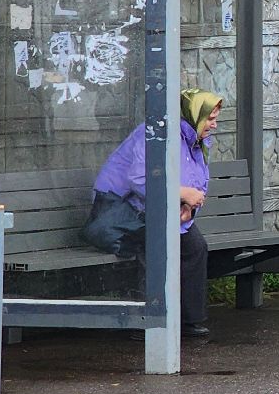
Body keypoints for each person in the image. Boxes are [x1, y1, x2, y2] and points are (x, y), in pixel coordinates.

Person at [85, 89, 222, 339]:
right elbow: (139, 180)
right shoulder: (154, 133)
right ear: (194, 114)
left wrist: (189, 209)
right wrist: (181, 193)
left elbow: (199, 183)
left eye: (214, 118)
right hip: (119, 210)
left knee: (195, 247)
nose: (214, 124)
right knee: (154, 247)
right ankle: (146, 319)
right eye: (210, 118)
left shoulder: (194, 142)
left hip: (159, 211)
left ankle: (188, 320)